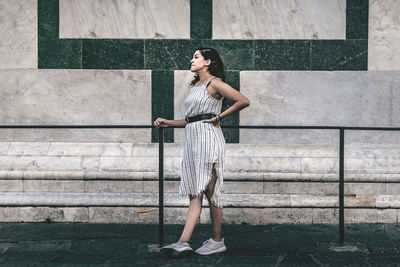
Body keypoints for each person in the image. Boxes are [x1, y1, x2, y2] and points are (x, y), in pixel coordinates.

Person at [154, 47, 250, 258]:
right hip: (193, 138)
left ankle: (213, 241)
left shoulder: (214, 83)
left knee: (209, 190)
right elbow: (192, 119)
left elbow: (243, 100)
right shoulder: (196, 85)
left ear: (208, 61)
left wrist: (219, 117)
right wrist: (169, 123)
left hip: (208, 139)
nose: (191, 60)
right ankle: (186, 242)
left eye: (196, 57)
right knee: (196, 191)